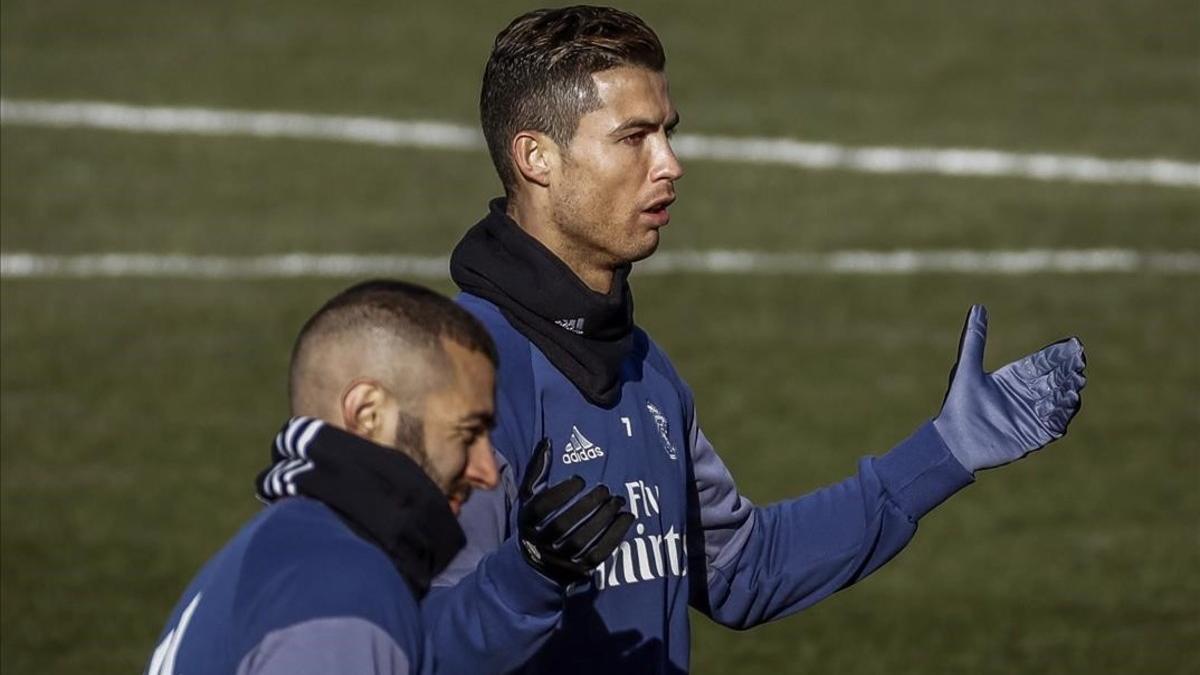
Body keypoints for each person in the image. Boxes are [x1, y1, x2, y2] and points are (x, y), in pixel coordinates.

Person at [420, 6, 1089, 675]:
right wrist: (531, 571)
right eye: (634, 138)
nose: (671, 163)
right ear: (536, 156)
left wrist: (943, 450)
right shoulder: (460, 376)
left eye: (668, 133)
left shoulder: (642, 366)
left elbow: (744, 568)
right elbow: (418, 646)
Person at [146, 280, 504, 674]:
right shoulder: (340, 590)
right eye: (468, 433)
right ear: (368, 414)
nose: (487, 472)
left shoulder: (284, 552)